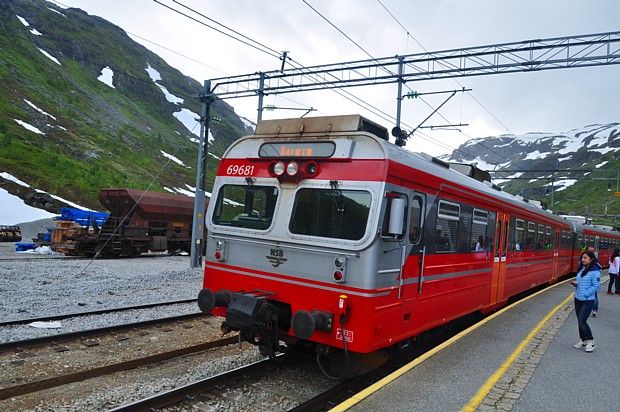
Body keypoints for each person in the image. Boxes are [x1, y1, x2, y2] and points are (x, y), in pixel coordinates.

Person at [573, 250, 601, 352]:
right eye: (582, 258)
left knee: (582, 321)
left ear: (591, 259)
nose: (583, 260)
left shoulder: (595, 271)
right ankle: (583, 340)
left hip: (587, 300)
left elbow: (596, 286)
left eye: (585, 258)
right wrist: (576, 284)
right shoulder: (582, 269)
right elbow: (581, 282)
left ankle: (591, 341)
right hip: (578, 298)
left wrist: (585, 293)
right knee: (580, 322)